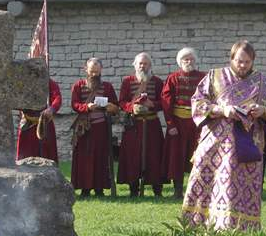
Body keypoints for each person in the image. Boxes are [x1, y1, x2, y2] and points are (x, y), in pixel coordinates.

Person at [181, 40, 266, 230]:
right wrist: (221, 110)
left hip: (248, 149)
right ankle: (197, 227)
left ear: (253, 61)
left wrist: (263, 110)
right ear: (231, 59)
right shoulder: (214, 77)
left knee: (242, 191)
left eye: (246, 62)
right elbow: (197, 103)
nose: (242, 65)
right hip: (214, 146)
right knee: (205, 185)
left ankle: (240, 232)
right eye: (238, 61)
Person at [118, 52, 165, 197]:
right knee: (132, 156)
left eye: (145, 63)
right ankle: (133, 189)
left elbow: (164, 102)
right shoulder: (127, 81)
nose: (142, 66)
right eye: (140, 63)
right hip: (134, 125)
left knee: (154, 155)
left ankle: (157, 190)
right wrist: (131, 108)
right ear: (135, 65)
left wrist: (152, 104)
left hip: (152, 124)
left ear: (150, 65)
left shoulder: (157, 82)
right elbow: (122, 101)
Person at [71, 57, 119, 197]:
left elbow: (116, 106)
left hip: (101, 128)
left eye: (96, 72)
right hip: (84, 129)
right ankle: (84, 188)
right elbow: (74, 104)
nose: (94, 75)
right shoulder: (78, 86)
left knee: (100, 157)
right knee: (84, 158)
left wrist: (110, 107)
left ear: (101, 71)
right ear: (86, 70)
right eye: (92, 72)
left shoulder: (108, 87)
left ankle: (99, 188)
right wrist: (86, 106)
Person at [161, 47, 206, 199]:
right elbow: (166, 104)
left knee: (198, 155)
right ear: (180, 62)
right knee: (176, 157)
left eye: (191, 59)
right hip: (178, 124)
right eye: (185, 59)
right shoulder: (172, 78)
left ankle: (197, 191)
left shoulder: (203, 77)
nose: (189, 61)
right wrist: (170, 125)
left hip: (197, 123)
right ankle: (178, 191)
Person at [15, 79, 62, 162]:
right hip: (27, 123)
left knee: (47, 156)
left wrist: (52, 109)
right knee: (25, 156)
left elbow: (57, 97)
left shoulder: (50, 83)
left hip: (45, 123)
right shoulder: (22, 81)